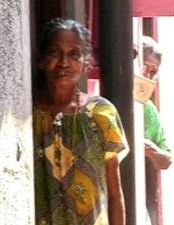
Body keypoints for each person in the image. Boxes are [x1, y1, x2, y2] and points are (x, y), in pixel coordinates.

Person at [33, 18, 129, 225]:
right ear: (41, 60)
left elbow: (114, 193)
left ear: (86, 63)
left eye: (74, 54)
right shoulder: (28, 115)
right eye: (54, 53)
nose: (63, 63)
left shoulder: (101, 114)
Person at [140, 36, 172, 225]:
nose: (148, 76)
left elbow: (166, 160)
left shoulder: (148, 110)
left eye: (153, 72)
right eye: (145, 68)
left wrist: (150, 149)